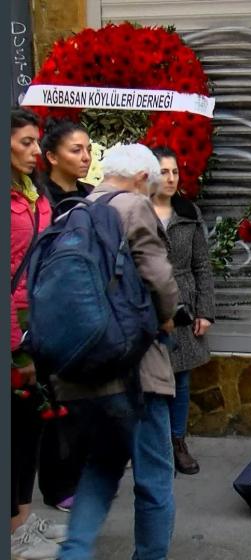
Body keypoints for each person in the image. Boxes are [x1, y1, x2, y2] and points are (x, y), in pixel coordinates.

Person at [54, 144, 179, 560]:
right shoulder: (133, 207)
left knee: (101, 466)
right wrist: (166, 319)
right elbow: (159, 279)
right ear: (143, 178)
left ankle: (73, 552)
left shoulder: (74, 209)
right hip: (134, 370)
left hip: (81, 367)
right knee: (154, 476)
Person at [10, 108, 67, 559]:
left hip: (37, 325)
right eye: (26, 142)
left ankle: (22, 517)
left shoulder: (35, 192)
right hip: (13, 334)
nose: (35, 151)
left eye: (36, 142)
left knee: (29, 428)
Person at [37, 119, 94, 514]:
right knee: (56, 404)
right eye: (76, 150)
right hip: (52, 311)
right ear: (52, 156)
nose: (86, 157)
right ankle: (58, 487)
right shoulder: (41, 199)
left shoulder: (92, 196)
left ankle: (83, 475)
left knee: (86, 401)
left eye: (88, 149)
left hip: (88, 310)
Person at [151, 147, 215, 475]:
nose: (171, 178)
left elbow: (202, 265)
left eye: (175, 172)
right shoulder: (136, 211)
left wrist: (204, 311)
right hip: (147, 306)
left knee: (181, 378)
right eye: (164, 171)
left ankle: (177, 442)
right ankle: (154, 444)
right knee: (149, 378)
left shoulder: (188, 213)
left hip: (184, 305)